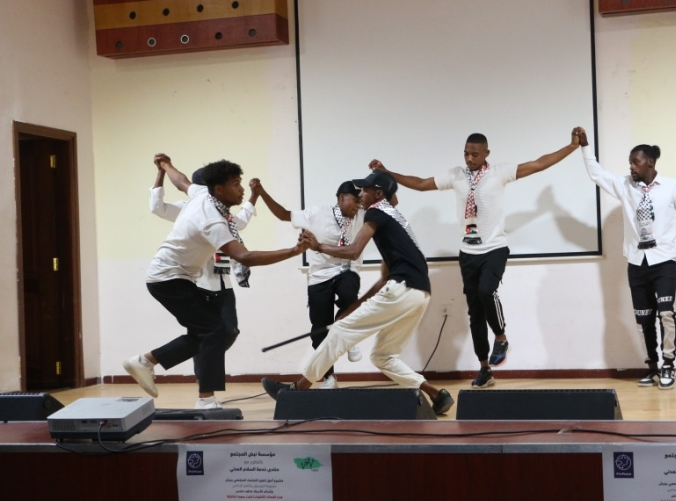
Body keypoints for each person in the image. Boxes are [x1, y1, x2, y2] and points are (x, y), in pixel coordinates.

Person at [368, 129, 582, 389]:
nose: (469, 158)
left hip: (494, 249)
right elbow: (422, 183)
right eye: (466, 153)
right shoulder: (456, 175)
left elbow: (538, 164)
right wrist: (387, 172)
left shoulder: (499, 173)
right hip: (468, 253)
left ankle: (501, 337)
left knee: (486, 291)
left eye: (475, 154)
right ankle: (485, 369)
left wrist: (571, 147)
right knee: (475, 314)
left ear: (486, 154)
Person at [260, 171, 454, 416]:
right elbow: (383, 279)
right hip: (420, 294)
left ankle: (297, 390)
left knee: (338, 332)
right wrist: (355, 307)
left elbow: (353, 252)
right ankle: (437, 394)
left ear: (378, 193)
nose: (361, 194)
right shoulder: (393, 220)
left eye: (365, 189)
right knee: (383, 356)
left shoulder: (375, 212)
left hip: (402, 288)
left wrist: (318, 246)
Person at [123, 156, 308, 409]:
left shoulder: (204, 195)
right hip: (168, 278)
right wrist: (293, 251)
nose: (241, 189)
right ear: (219, 189)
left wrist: (165, 166)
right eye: (236, 184)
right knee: (213, 332)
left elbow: (181, 181)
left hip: (180, 277)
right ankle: (165, 373)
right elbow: (245, 257)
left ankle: (149, 364)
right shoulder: (211, 219)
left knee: (217, 332)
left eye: (240, 182)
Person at [578, 127, 676, 390]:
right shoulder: (625, 187)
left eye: (635, 162)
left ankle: (668, 364)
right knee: (643, 318)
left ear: (649, 162)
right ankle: (652, 366)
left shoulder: (673, 187)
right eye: (629, 162)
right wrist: (585, 147)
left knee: (666, 313)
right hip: (636, 263)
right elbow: (597, 174)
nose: (630, 166)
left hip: (663, 262)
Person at [252, 179, 366, 388]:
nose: (358, 205)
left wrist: (382, 174)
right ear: (341, 198)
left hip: (347, 270)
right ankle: (329, 377)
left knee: (349, 293)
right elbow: (284, 214)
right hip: (320, 275)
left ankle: (349, 338)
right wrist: (261, 193)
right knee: (319, 330)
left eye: (360, 202)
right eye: (355, 201)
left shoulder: (362, 214)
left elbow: (391, 201)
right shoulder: (316, 214)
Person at [149, 153, 259, 346]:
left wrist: (254, 196)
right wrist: (161, 172)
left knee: (228, 332)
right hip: (200, 281)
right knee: (207, 333)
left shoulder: (223, 213)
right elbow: (157, 207)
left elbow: (240, 222)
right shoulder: (190, 208)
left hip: (222, 280)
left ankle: (208, 362)